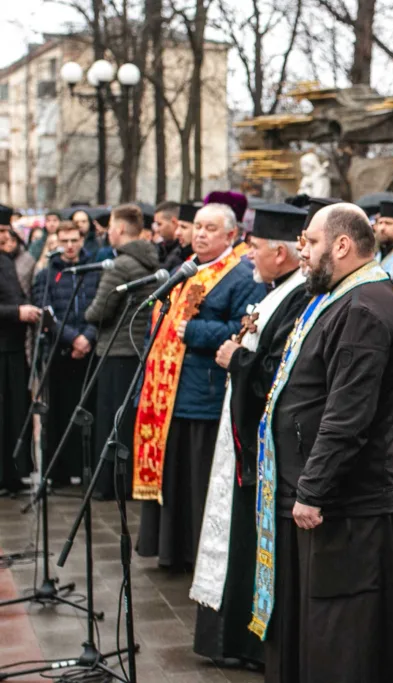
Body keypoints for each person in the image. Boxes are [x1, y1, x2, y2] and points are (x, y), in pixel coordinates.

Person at [250, 203, 393, 683]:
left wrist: (313, 489)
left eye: (310, 242)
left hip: (347, 507)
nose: (302, 252)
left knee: (343, 638)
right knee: (320, 628)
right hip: (327, 501)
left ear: (342, 245)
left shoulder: (362, 308)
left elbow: (347, 414)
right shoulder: (343, 297)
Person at [190, 203, 309, 668]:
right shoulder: (278, 290)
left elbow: (281, 373)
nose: (247, 257)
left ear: (279, 253)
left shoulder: (296, 296)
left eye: (254, 248)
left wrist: (235, 359)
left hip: (267, 448)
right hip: (245, 439)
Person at [134, 203, 265, 571]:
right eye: (199, 227)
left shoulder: (240, 275)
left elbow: (242, 330)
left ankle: (193, 553)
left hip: (203, 392)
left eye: (211, 229)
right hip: (169, 393)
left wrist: (192, 332)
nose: (202, 234)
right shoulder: (187, 269)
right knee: (174, 476)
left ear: (230, 236)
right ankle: (169, 550)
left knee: (196, 479)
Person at [83, 205, 161, 500]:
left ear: (119, 229)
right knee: (127, 420)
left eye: (110, 228)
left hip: (116, 350)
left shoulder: (122, 265)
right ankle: (127, 481)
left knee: (110, 421)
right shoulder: (150, 259)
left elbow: (99, 311)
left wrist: (89, 313)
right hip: (136, 349)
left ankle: (109, 485)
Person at [32, 221, 101, 486]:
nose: (70, 246)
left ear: (82, 239)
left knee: (86, 410)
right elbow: (46, 314)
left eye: (74, 240)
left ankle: (84, 468)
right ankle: (58, 472)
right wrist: (73, 339)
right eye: (65, 241)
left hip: (88, 351)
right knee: (59, 412)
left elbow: (101, 307)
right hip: (59, 352)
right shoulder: (46, 274)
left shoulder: (93, 271)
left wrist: (87, 338)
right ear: (57, 241)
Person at [0, 204, 40, 494]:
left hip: (13, 350)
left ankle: (14, 475)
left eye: (6, 230)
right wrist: (17, 312)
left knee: (15, 412)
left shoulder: (6, 259)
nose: (5, 236)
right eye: (0, 231)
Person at [0, 227, 35, 297]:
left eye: (13, 241)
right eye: (6, 241)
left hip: (22, 301)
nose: (9, 244)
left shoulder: (28, 259)